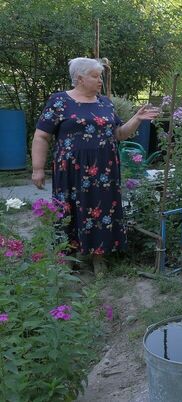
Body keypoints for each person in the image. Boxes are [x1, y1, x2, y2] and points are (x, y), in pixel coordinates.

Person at [31, 57, 159, 274]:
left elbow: (118, 134)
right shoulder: (59, 101)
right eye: (95, 76)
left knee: (102, 208)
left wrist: (137, 118)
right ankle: (70, 255)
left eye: (99, 76)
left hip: (104, 169)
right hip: (70, 169)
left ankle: (99, 255)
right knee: (68, 209)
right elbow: (42, 136)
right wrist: (37, 168)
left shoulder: (104, 103)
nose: (100, 81)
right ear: (79, 78)